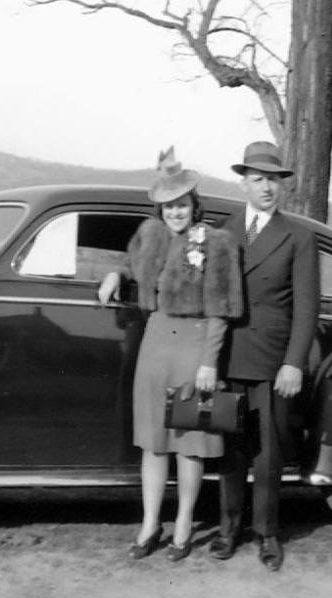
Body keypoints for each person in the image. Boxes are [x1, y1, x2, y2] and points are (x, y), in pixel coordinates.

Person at [98, 147, 243, 562]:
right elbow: (133, 265)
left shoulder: (216, 243)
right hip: (156, 345)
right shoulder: (150, 235)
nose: (175, 212)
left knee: (189, 443)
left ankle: (183, 523)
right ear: (159, 209)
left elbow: (220, 309)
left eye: (181, 204)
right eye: (168, 206)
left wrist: (208, 362)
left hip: (193, 348)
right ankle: (149, 524)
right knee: (154, 443)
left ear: (194, 205)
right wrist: (115, 272)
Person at [209, 140, 320, 572]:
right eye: (258, 179)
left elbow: (307, 308)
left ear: (282, 185)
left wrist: (293, 362)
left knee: (269, 453)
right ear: (244, 184)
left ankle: (267, 533)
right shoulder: (223, 232)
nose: (267, 188)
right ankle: (228, 528)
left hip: (273, 362)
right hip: (228, 356)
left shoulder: (299, 236)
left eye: (273, 180)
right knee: (231, 450)